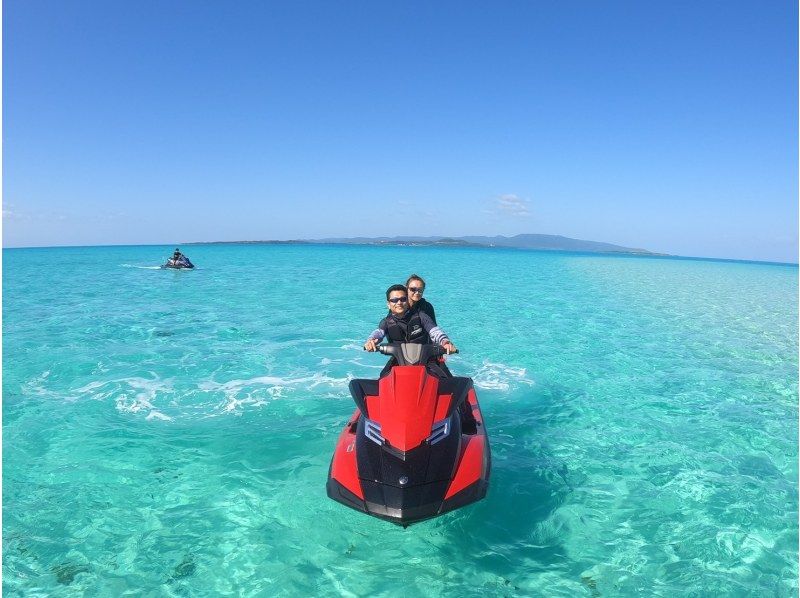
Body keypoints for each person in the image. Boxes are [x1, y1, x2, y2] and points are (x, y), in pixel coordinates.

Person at [364, 284, 456, 377]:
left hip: (427, 359)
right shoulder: (386, 322)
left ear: (407, 301)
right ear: (388, 304)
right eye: (394, 300)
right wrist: (371, 341)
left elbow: (435, 331)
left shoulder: (421, 316)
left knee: (445, 379)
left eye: (403, 299)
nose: (399, 302)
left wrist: (445, 342)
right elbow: (378, 333)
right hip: (398, 360)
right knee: (383, 377)